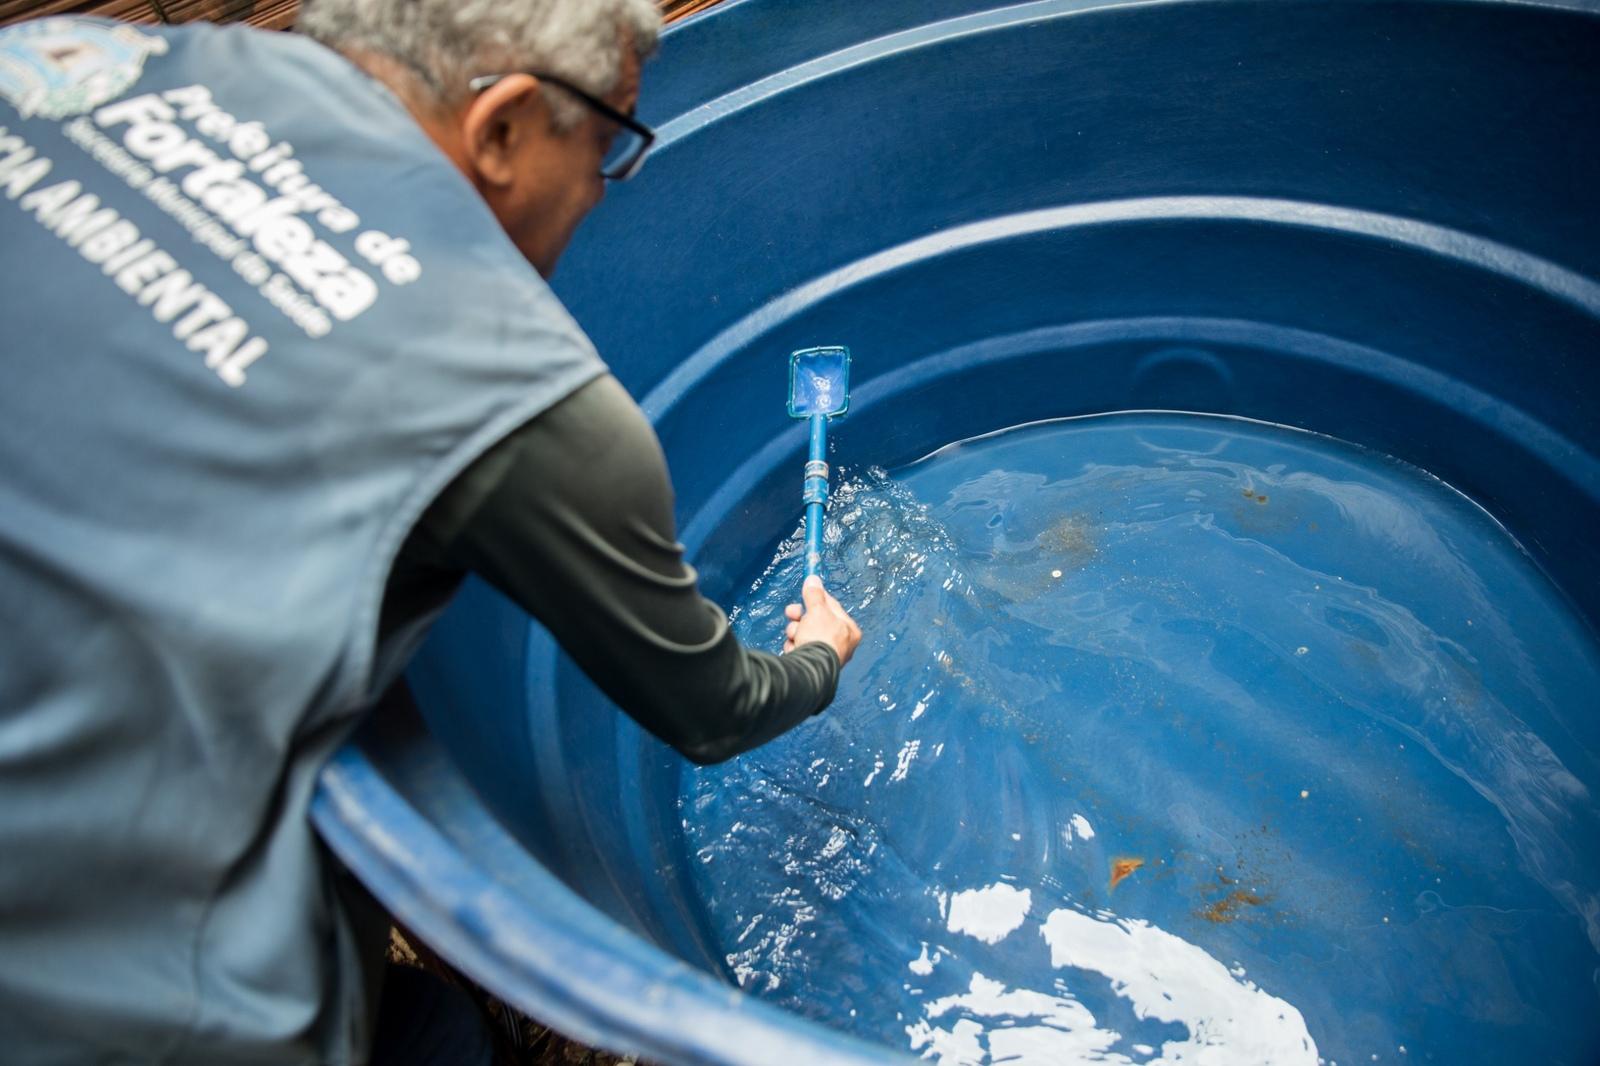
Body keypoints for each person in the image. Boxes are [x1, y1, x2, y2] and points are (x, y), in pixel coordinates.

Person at [0, 1, 861, 1062]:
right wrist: (819, 654)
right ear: (500, 126)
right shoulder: (519, 392)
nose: (600, 189)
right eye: (605, 148)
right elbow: (714, 709)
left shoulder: (62, 62)